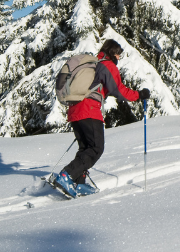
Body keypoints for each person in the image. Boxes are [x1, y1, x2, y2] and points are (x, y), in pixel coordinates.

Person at [53, 39, 151, 197]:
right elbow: (118, 90)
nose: (119, 57)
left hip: (75, 111)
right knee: (95, 149)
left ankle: (78, 183)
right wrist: (139, 95)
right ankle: (67, 176)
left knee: (86, 149)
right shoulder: (107, 65)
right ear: (113, 52)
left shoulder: (95, 64)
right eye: (119, 54)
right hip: (89, 110)